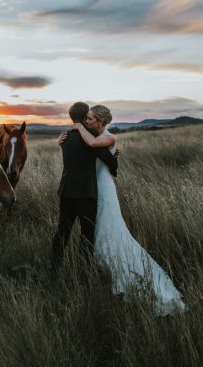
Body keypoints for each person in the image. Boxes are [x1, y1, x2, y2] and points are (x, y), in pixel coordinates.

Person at [64, 105, 187, 316]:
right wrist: (64, 138)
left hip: (102, 188)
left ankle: (124, 272)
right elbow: (93, 153)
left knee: (110, 229)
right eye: (85, 119)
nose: (86, 122)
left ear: (101, 122)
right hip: (91, 188)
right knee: (97, 230)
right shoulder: (92, 135)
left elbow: (94, 145)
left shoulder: (108, 138)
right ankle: (96, 269)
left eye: (90, 119)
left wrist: (76, 127)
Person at [52, 102, 118, 278]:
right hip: (85, 194)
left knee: (62, 231)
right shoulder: (89, 137)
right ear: (83, 118)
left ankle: (53, 269)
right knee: (87, 234)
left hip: (66, 191)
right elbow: (110, 160)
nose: (89, 120)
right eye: (87, 117)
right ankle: (83, 273)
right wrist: (114, 165)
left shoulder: (65, 137)